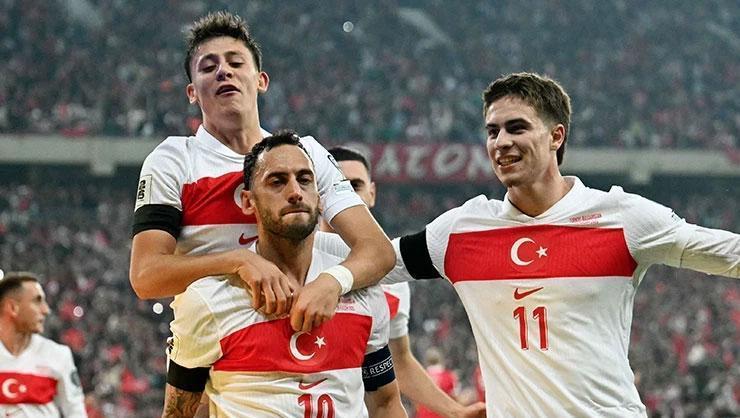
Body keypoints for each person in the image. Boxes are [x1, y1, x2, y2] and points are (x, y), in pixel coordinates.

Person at [318, 72, 739, 417]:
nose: (501, 141)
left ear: (556, 136)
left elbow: (724, 252)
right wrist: (307, 266)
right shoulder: (460, 231)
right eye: (493, 131)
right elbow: (375, 259)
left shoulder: (621, 218)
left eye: (517, 127)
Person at [128, 11, 394, 332]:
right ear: (192, 92)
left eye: (236, 63)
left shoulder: (306, 154)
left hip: (307, 338)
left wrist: (332, 281)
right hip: (213, 345)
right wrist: (239, 260)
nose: (224, 71)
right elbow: (145, 276)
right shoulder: (173, 160)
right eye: (208, 67)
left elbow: (377, 250)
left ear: (261, 81)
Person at [162, 132, 407, 417]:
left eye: (305, 180)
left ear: (320, 197)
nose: (295, 192)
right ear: (248, 202)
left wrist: (333, 283)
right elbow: (178, 414)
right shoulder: (208, 299)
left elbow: (386, 403)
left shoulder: (360, 287)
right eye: (277, 181)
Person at [320, 146, 485, 418]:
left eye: (355, 186)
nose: (346, 196)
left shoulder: (390, 274)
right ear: (318, 196)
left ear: (372, 193)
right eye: (336, 187)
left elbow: (400, 361)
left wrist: (456, 412)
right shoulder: (298, 258)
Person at [0, 271, 87, 417]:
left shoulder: (58, 355)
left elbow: (76, 412)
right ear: (13, 308)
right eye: (37, 301)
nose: (46, 310)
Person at [415, 349, 460, 418]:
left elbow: (416, 401)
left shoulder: (420, 377)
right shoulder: (448, 376)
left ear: (427, 361)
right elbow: (455, 399)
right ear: (440, 360)